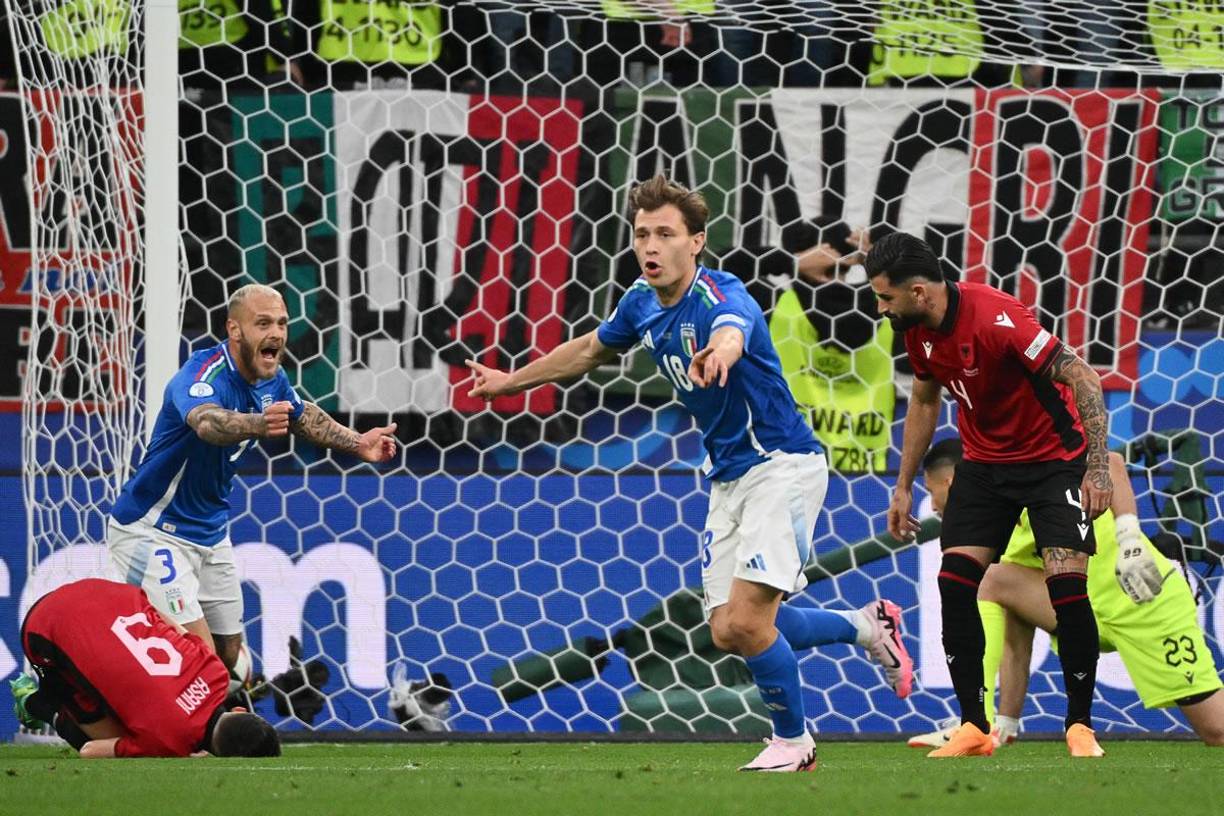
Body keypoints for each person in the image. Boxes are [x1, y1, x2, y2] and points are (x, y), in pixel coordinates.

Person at [466, 175, 914, 772]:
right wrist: (507, 381)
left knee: (751, 623)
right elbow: (588, 352)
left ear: (696, 241)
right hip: (728, 476)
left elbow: (734, 332)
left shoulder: (722, 295)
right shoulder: (640, 302)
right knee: (729, 630)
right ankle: (865, 626)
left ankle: (794, 743)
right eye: (642, 233)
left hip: (781, 464)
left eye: (666, 234)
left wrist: (720, 353)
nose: (650, 245)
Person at [867, 231, 1114, 758]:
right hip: (984, 465)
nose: (880, 307)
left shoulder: (998, 318)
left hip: (1054, 462)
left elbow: (1084, 380)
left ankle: (1080, 726)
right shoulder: (915, 331)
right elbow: (925, 401)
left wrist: (1096, 470)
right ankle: (974, 727)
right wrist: (903, 485)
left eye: (885, 297)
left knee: (1066, 588)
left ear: (918, 292)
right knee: (955, 584)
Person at [107, 283, 398, 672]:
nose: (276, 333)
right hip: (152, 529)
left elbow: (301, 414)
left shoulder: (271, 379)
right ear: (234, 330)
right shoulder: (202, 374)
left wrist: (358, 442)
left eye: (281, 323)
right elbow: (208, 423)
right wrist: (258, 424)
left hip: (210, 531)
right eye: (263, 323)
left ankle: (211, 718)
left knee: (230, 658)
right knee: (201, 659)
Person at [909, 438, 1224, 748]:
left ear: (950, 481)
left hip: (1142, 602)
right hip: (1080, 614)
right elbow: (1015, 631)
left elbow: (1111, 462)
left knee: (1217, 731)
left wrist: (1130, 539)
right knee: (992, 583)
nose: (932, 505)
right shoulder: (993, 523)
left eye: (929, 491)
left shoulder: (1038, 464)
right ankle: (987, 725)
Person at [10, 578, 280, 758]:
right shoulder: (167, 742)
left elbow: (170, 625)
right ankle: (37, 703)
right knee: (111, 742)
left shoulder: (216, 671)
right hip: (44, 627)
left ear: (239, 709)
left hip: (104, 592)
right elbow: (90, 751)